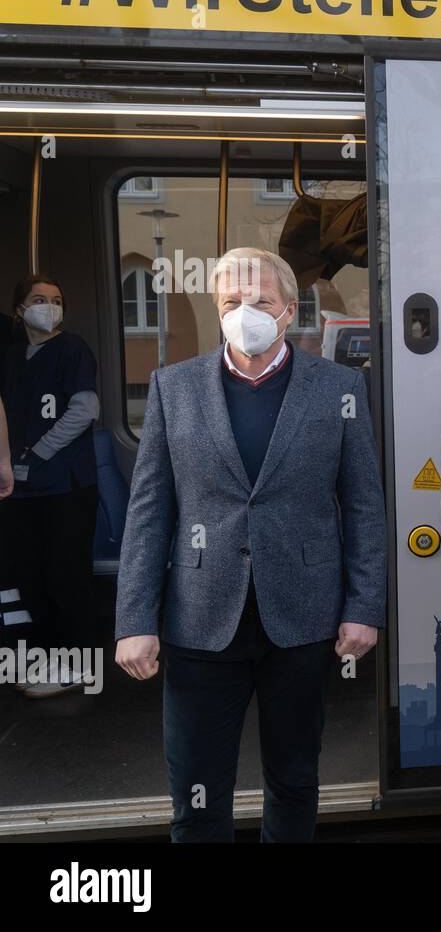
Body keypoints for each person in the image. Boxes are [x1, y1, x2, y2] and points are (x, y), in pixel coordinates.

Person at [114, 247, 387, 842]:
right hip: (199, 622)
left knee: (293, 782)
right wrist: (134, 618)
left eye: (261, 301)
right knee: (196, 794)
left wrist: (364, 608)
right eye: (232, 302)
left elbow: (365, 505)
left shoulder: (339, 388)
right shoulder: (173, 388)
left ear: (289, 310)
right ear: (217, 309)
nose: (246, 313)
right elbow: (149, 512)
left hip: (302, 619)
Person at [0, 274, 100, 697]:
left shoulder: (72, 349)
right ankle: (44, 663)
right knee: (30, 576)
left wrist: (38, 453)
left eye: (56, 299)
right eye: (39, 299)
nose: (49, 306)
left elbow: (85, 410)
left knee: (66, 576)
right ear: (19, 310)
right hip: (21, 488)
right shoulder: (10, 357)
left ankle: (81, 664)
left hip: (66, 486)